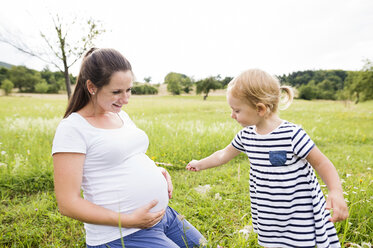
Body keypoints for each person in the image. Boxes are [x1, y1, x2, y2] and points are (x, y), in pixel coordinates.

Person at [52, 48, 205, 248]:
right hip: (121, 234)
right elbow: (67, 203)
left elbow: (125, 157)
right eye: (116, 92)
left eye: (129, 90)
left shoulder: (119, 115)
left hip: (164, 217)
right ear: (91, 86)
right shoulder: (72, 128)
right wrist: (129, 220)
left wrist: (156, 171)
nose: (125, 99)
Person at [186, 69, 348, 248]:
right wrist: (199, 164)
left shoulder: (292, 135)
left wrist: (335, 192)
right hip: (269, 214)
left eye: (237, 110)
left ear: (260, 109)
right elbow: (223, 154)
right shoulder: (246, 136)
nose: (232, 115)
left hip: (298, 214)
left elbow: (321, 162)